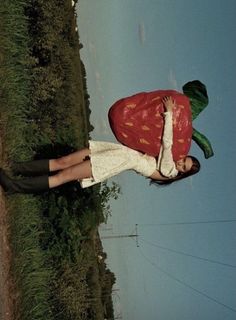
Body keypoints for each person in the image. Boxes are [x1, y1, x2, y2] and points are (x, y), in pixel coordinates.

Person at [0, 97, 200, 195]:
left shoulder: (169, 171)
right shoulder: (169, 163)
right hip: (116, 151)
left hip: (113, 163)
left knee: (63, 176)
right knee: (62, 161)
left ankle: (13, 186)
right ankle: (15, 167)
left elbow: (167, 143)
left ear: (183, 174)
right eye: (184, 160)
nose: (181, 162)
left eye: (184, 166)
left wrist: (169, 114)